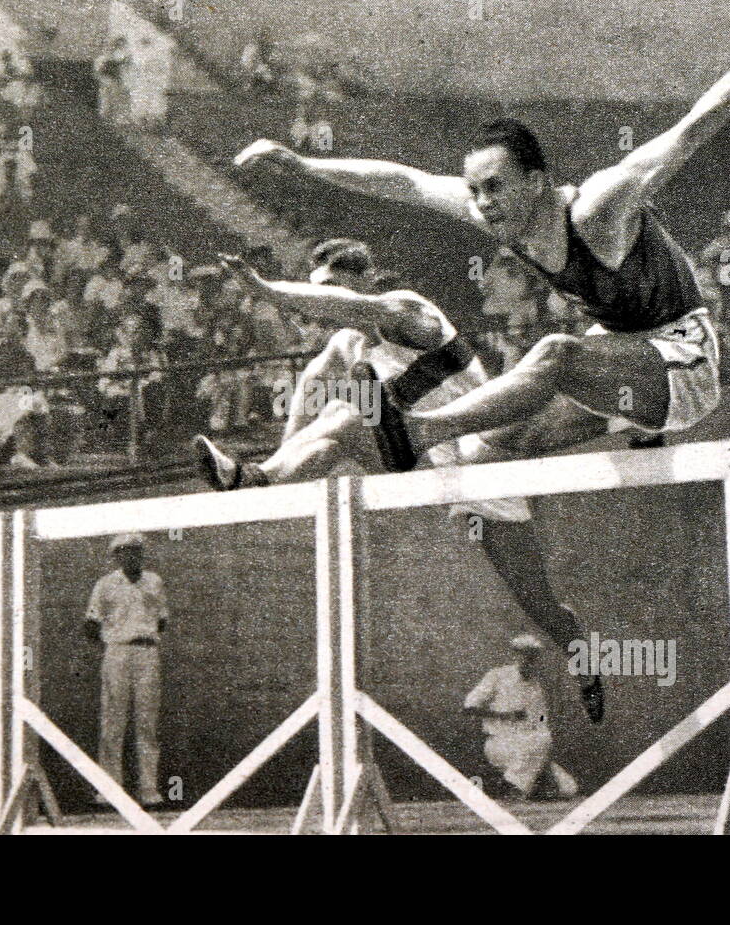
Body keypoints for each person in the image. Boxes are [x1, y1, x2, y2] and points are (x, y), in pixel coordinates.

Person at [233, 0, 730, 470]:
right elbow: (401, 180)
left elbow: (693, 126)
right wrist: (301, 162)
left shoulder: (597, 209)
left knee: (554, 353)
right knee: (491, 450)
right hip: (614, 356)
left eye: (495, 187)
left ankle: (416, 430)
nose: (482, 203)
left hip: (683, 356)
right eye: (475, 190)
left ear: (537, 181)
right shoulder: (495, 212)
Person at [193, 242, 604, 721]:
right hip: (417, 451)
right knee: (343, 414)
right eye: (315, 288)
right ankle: (256, 481)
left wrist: (264, 288)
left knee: (534, 597)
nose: (322, 299)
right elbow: (310, 381)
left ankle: (584, 660)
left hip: (479, 456)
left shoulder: (408, 308)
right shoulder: (345, 344)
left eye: (329, 288)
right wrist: (282, 461)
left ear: (366, 281)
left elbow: (336, 311)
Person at [83, 532, 168, 809]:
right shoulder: (105, 584)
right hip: (117, 653)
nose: (132, 556)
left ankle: (149, 790)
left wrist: (141, 636)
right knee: (113, 721)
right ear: (116, 555)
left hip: (147, 654)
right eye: (125, 551)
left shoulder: (154, 581)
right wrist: (117, 641)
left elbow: (162, 620)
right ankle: (109, 790)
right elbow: (91, 625)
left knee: (147, 722)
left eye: (136, 551)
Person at [463, 634, 578, 800]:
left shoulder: (536, 687)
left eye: (533, 656)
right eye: (524, 654)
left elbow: (540, 725)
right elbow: (468, 708)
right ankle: (516, 789)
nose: (528, 659)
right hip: (500, 743)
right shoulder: (497, 676)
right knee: (541, 741)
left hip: (529, 747)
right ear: (515, 655)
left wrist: (543, 759)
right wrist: (505, 715)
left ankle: (523, 784)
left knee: (568, 789)